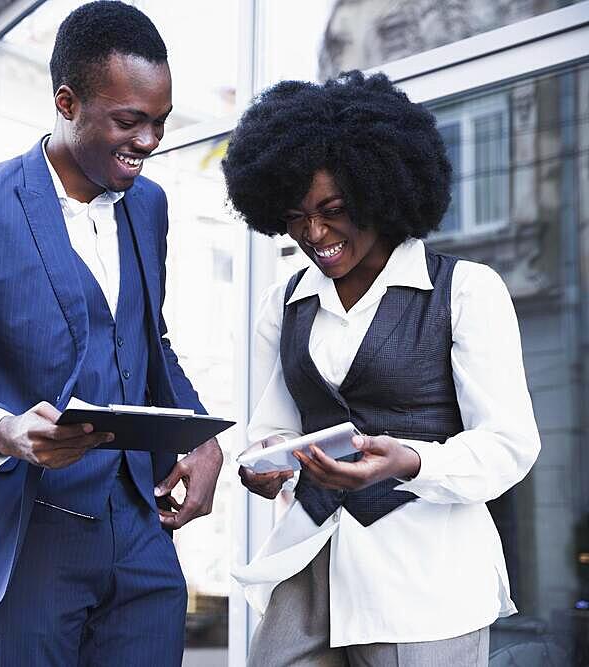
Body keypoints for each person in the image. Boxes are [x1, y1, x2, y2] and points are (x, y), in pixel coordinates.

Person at [0, 2, 223, 665]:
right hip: (27, 536)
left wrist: (200, 432)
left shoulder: (150, 206)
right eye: (130, 122)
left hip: (139, 531)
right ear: (67, 102)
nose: (150, 141)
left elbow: (147, 338)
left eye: (159, 123)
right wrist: (6, 430)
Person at [221, 71, 541, 666]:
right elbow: (272, 428)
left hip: (425, 580)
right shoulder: (282, 304)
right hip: (309, 561)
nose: (314, 234)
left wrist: (413, 461)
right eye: (295, 216)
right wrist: (268, 464)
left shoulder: (466, 292)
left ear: (380, 191)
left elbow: (510, 446)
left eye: (333, 210)